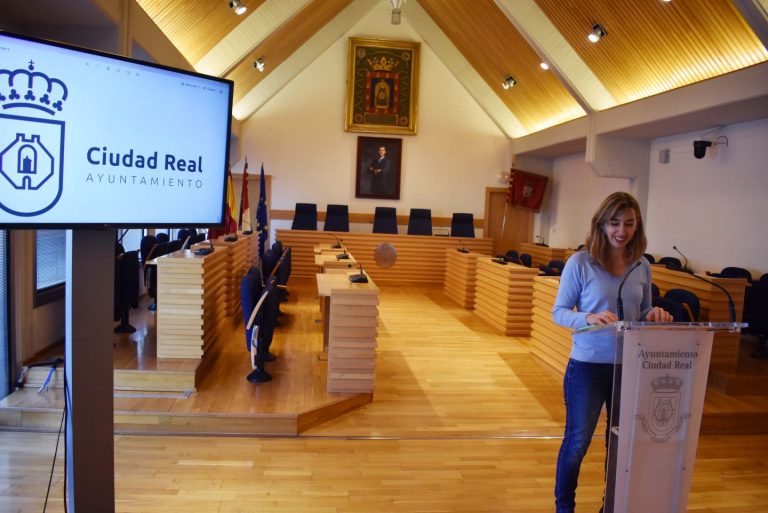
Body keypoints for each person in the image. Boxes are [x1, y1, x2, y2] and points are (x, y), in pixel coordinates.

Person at [551, 192, 672, 513]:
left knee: (619, 444)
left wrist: (653, 315)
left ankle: (612, 505)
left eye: (629, 223)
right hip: (588, 366)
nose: (622, 230)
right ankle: (565, 508)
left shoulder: (642, 265)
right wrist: (587, 317)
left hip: (630, 366)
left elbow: (642, 310)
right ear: (601, 223)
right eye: (615, 222)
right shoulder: (581, 262)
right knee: (577, 444)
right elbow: (559, 312)